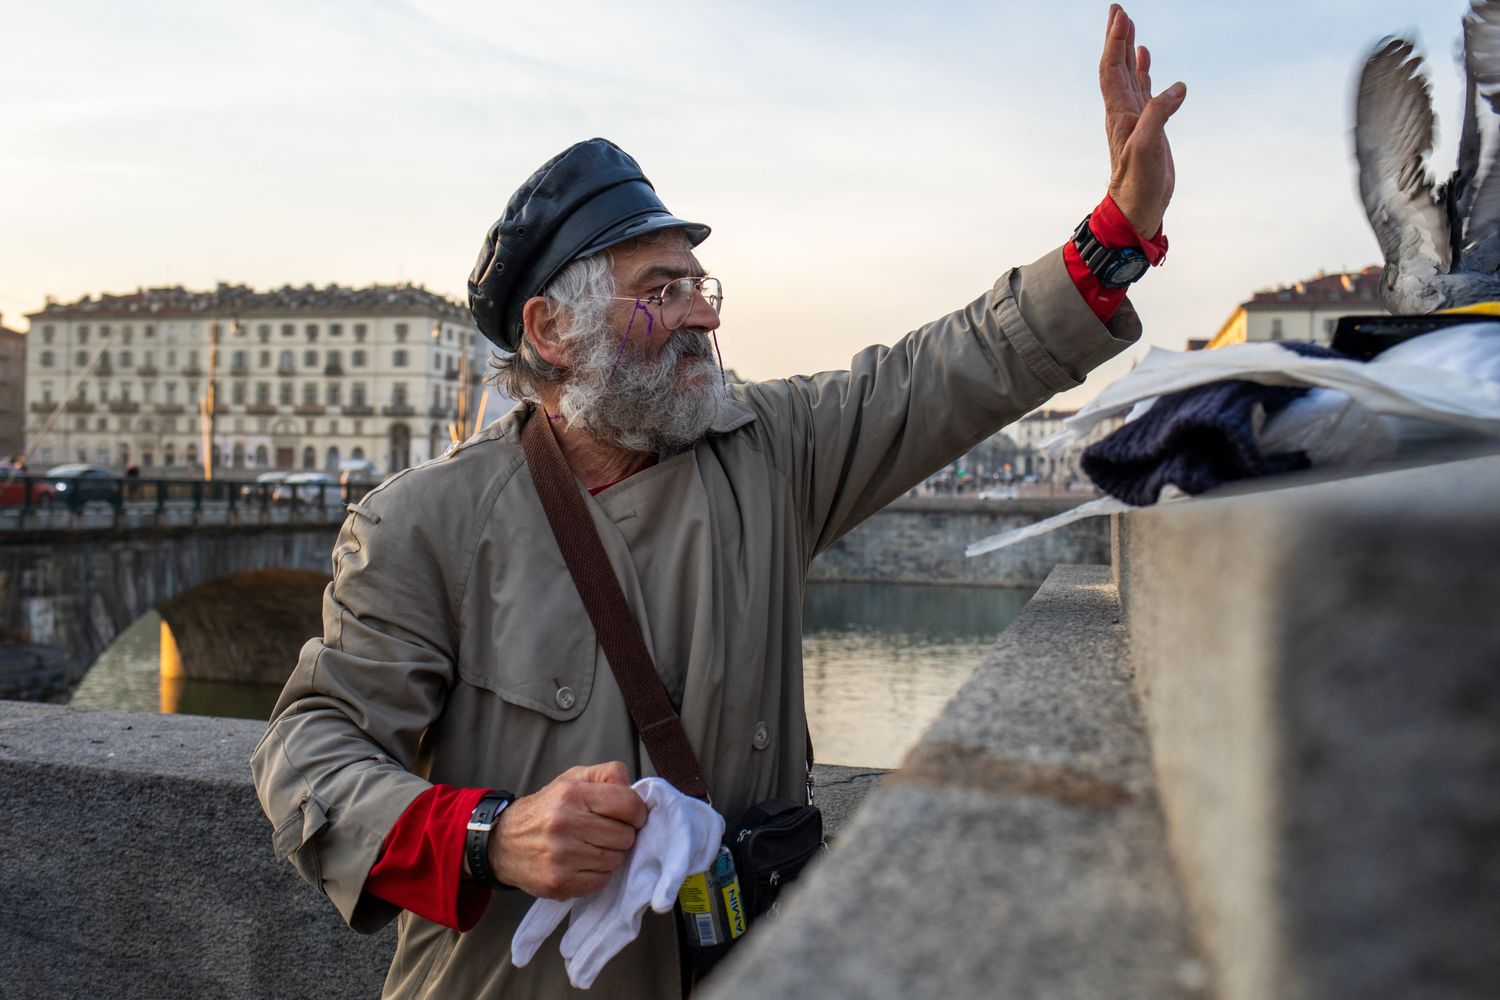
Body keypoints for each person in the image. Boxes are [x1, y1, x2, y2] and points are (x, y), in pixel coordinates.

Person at [251, 6, 1185, 997]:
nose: (702, 311)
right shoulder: (422, 525)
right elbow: (309, 752)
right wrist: (494, 834)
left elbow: (949, 369)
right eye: (663, 290)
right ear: (551, 330)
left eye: (702, 284)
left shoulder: (772, 450)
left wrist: (1118, 234)